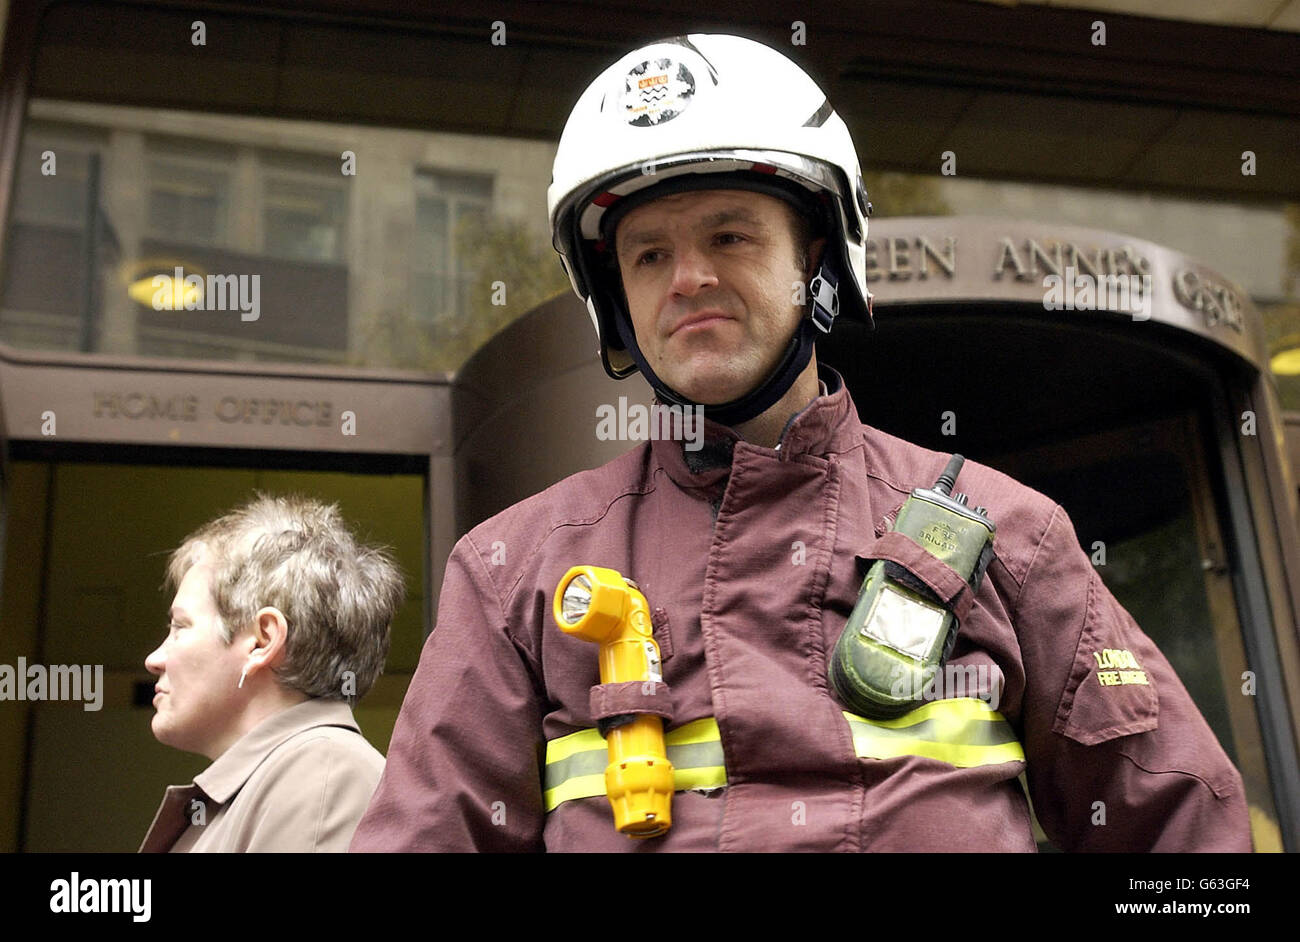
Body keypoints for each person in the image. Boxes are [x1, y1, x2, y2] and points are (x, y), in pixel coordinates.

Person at [351, 34, 1251, 851]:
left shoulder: (1013, 537)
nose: (688, 279)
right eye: (648, 254)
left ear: (817, 259)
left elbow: (1186, 840)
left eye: (730, 235)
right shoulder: (517, 573)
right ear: (613, 297)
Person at [140, 494, 405, 852]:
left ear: (262, 641)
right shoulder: (288, 780)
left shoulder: (321, 777)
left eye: (180, 627)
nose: (154, 659)